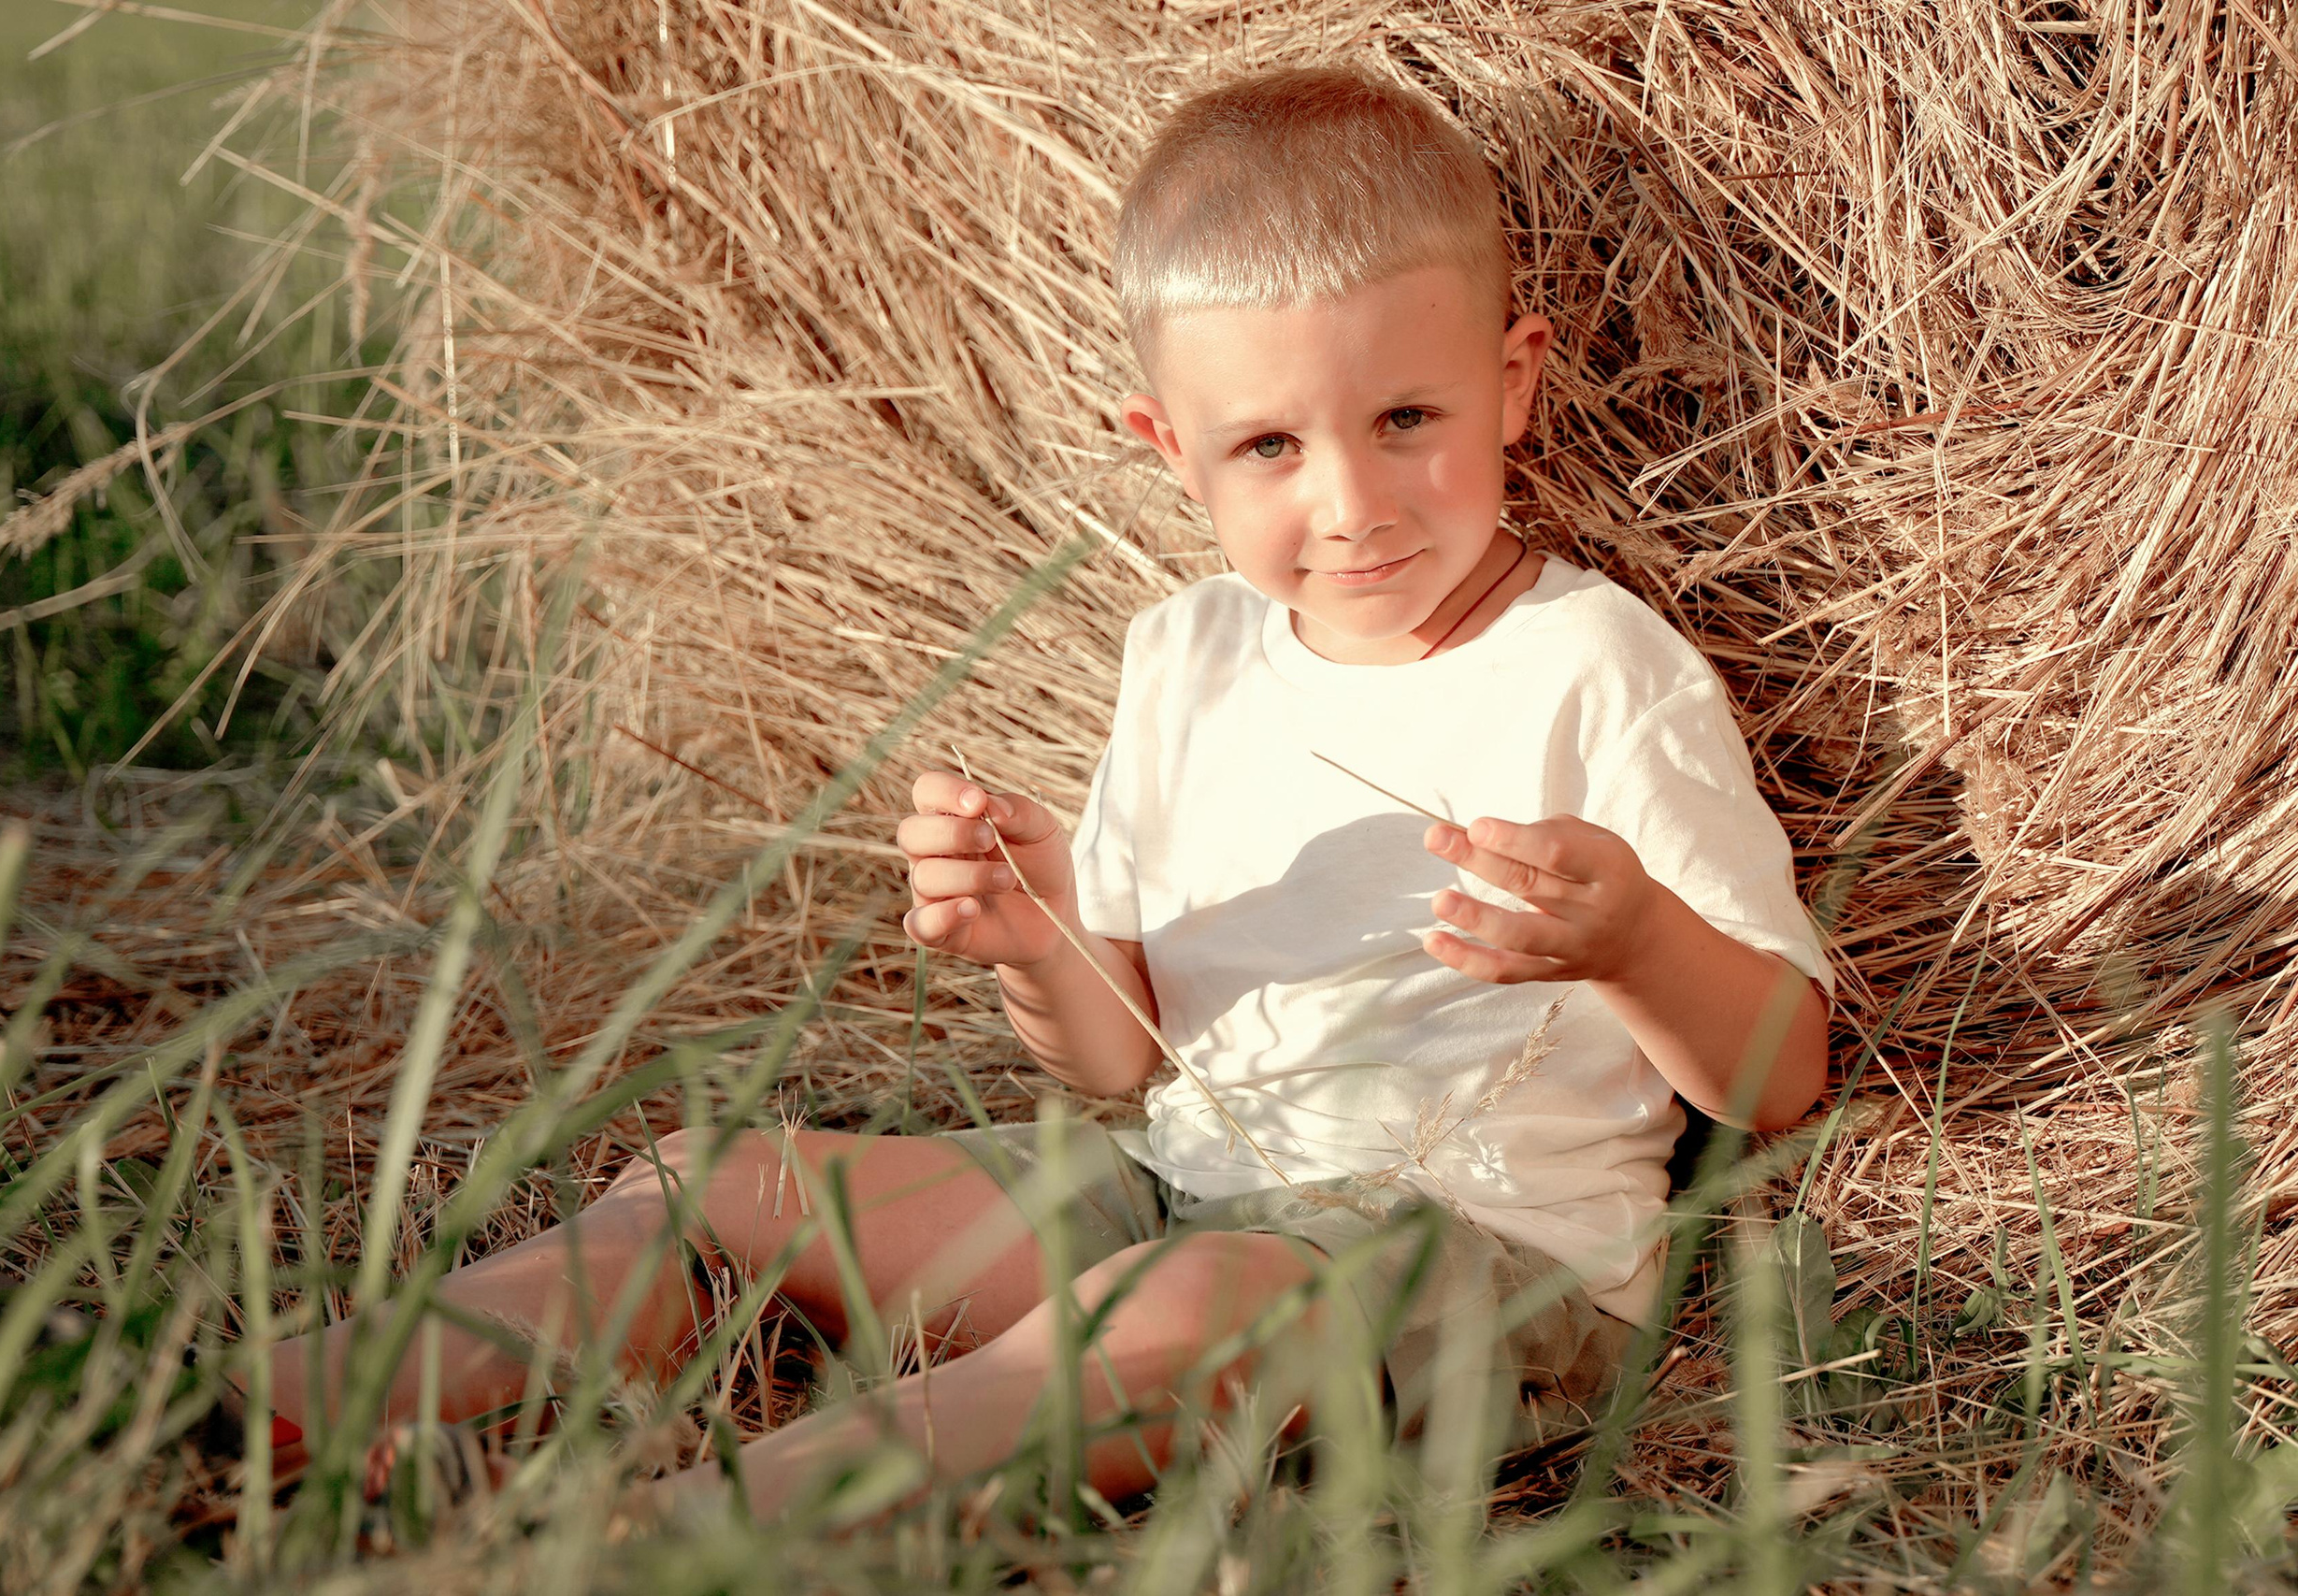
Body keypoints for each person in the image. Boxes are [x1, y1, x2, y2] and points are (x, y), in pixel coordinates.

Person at [245, 62, 1832, 1530]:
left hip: (1476, 1255)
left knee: (1179, 1320)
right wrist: (1037, 936)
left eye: (1405, 418)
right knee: (723, 1181)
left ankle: (670, 1544)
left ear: (1514, 382)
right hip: (1169, 1182)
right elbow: (1118, 1065)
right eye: (1270, 444)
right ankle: (251, 1426)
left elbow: (1776, 1076)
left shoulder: (1597, 672)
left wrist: (1631, 941)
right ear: (1169, 448)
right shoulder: (1186, 657)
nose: (1348, 503)